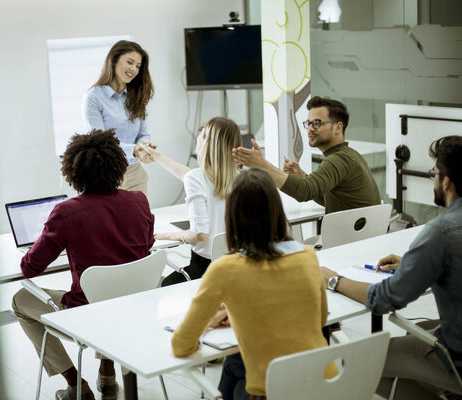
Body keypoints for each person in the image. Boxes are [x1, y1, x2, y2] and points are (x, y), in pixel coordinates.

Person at [12, 130, 155, 400]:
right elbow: (146, 248)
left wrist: (46, 238)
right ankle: (108, 374)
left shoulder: (66, 212)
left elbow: (30, 268)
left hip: (86, 314)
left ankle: (75, 384)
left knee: (19, 301)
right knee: (112, 292)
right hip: (133, 309)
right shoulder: (139, 201)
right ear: (118, 165)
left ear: (73, 172)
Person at [171, 168, 336, 399]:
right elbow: (320, 319)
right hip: (324, 383)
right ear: (278, 212)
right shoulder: (307, 256)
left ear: (232, 217)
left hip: (274, 390)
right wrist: (240, 311)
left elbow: (181, 344)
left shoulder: (225, 269)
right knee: (234, 363)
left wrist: (214, 318)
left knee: (233, 365)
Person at [321, 135, 462, 399]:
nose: (432, 179)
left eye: (433, 173)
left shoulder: (441, 232)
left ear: (446, 180)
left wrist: (334, 280)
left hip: (455, 358)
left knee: (360, 361)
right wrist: (415, 264)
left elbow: (384, 299)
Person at [232, 96, 381, 214]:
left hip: (350, 241)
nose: (310, 129)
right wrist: (302, 175)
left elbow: (304, 192)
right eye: (308, 123)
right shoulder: (349, 155)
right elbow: (327, 198)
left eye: (317, 123)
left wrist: (261, 164)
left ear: (338, 127)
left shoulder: (337, 159)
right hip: (363, 238)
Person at [148, 117, 241, 286]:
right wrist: (156, 155)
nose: (198, 137)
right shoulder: (242, 177)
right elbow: (188, 175)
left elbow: (199, 234)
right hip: (237, 268)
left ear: (209, 145)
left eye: (203, 134)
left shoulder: (196, 178)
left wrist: (167, 236)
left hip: (205, 272)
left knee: (164, 285)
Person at [83, 40, 156, 194]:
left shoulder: (137, 96)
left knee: (140, 218)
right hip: (108, 175)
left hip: (136, 174)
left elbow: (143, 133)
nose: (134, 69)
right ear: (114, 60)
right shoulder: (93, 98)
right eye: (129, 62)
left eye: (138, 66)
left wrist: (144, 148)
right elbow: (100, 143)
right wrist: (135, 150)